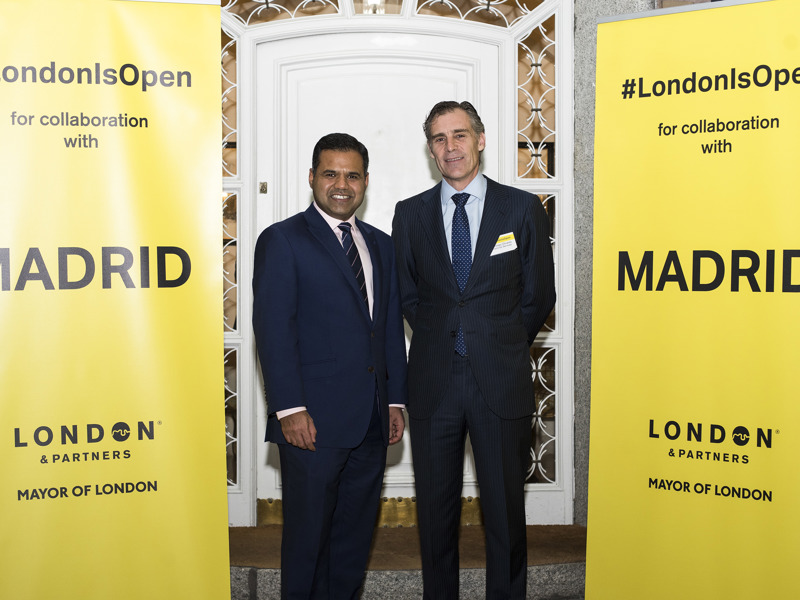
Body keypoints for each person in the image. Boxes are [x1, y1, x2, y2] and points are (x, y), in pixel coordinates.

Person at [392, 101, 556, 599]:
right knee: (435, 514)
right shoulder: (410, 213)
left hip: (500, 380)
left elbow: (538, 296)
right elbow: (409, 295)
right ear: (431, 149)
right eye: (440, 139)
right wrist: (447, 339)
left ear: (480, 140)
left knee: (505, 512)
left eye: (459, 135)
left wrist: (499, 343)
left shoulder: (521, 208)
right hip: (434, 382)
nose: (451, 147)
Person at [253, 132, 408, 600]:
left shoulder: (381, 245)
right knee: (307, 541)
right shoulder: (282, 240)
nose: (341, 184)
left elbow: (387, 330)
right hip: (312, 423)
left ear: (365, 182)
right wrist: (289, 409)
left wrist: (395, 399)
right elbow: (274, 331)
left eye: (352, 175)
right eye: (331, 174)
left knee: (353, 540)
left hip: (371, 422)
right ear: (312, 179)